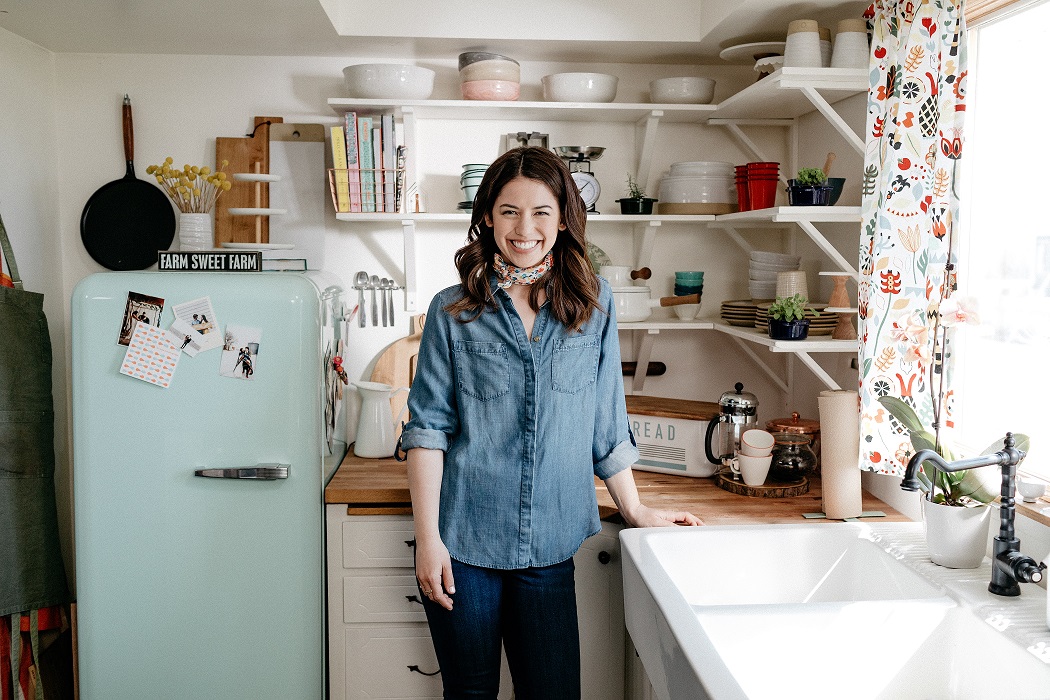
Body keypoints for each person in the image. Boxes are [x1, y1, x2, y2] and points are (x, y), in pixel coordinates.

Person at [397, 146, 702, 700]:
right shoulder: (452, 312)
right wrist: (427, 539)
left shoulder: (594, 305)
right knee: (469, 695)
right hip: (464, 542)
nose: (525, 228)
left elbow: (606, 420)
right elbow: (427, 431)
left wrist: (634, 509)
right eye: (510, 210)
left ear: (563, 218)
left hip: (552, 543)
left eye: (541, 211)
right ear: (487, 216)